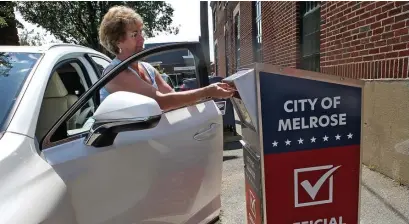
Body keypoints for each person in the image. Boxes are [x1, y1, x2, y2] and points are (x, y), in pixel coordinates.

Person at [98, 5, 235, 111]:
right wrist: (207, 91)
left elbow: (172, 97)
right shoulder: (115, 73)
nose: (142, 38)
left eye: (141, 32)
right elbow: (161, 102)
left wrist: (208, 97)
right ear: (117, 41)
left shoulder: (148, 69)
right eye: (134, 35)